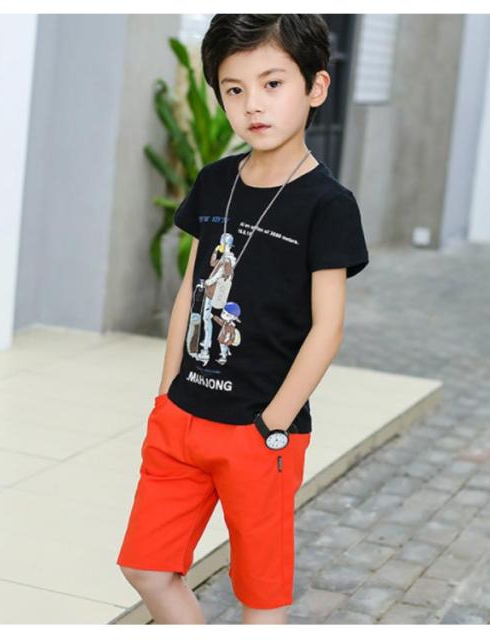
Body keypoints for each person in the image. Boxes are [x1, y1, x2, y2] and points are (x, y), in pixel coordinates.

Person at [116, 14, 369, 625]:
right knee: (147, 566)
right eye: (234, 89)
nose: (253, 104)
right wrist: (166, 394)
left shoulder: (329, 205)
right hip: (183, 416)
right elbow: (191, 291)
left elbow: (328, 327)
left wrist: (271, 425)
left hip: (259, 433)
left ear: (316, 87)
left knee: (260, 595)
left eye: (272, 83)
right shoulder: (214, 182)